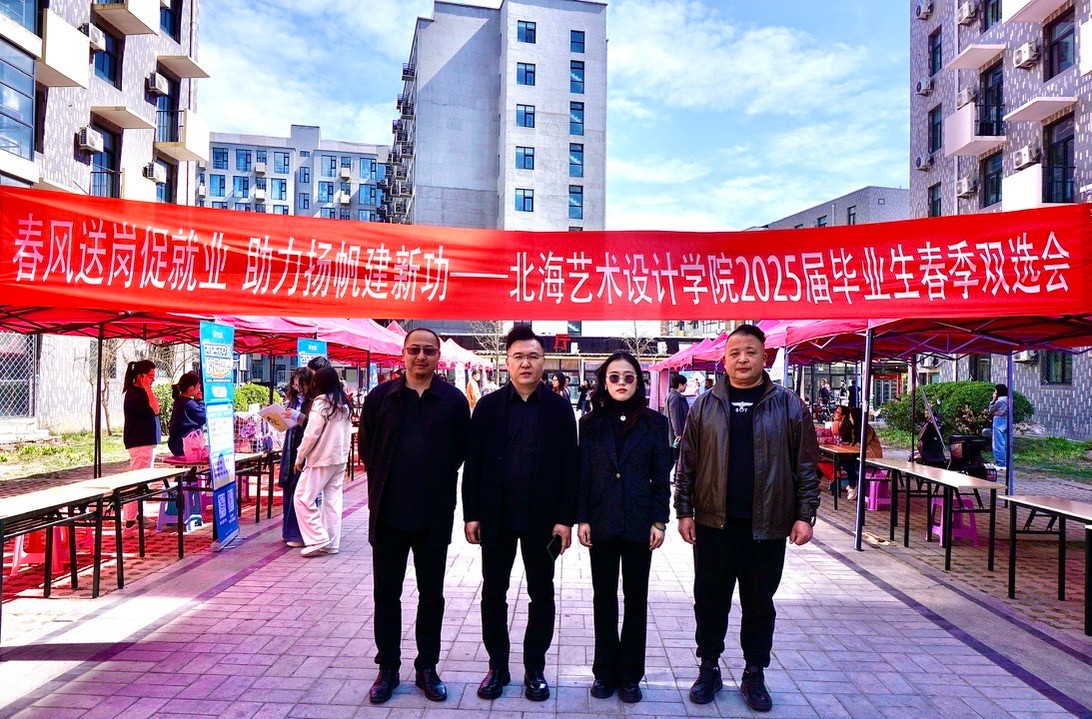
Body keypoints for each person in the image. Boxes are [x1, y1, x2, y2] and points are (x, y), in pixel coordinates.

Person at [675, 324, 820, 712]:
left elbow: (806, 465)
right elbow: (687, 465)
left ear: (764, 357)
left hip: (767, 525)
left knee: (759, 603)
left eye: (750, 352)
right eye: (735, 352)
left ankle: (754, 672)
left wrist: (805, 515)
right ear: (724, 360)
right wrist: (684, 511)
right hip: (713, 523)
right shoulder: (704, 406)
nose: (742, 359)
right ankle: (709, 667)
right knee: (710, 600)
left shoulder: (789, 405)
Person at [463, 325, 578, 702]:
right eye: (518, 356)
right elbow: (474, 464)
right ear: (507, 362)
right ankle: (497, 666)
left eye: (533, 356)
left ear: (543, 361)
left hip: (543, 522)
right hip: (496, 518)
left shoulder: (559, 409)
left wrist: (565, 519)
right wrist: (472, 513)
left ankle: (535, 669)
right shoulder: (489, 408)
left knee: (541, 594)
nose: (525, 363)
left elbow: (570, 466)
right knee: (493, 593)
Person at [358, 328, 471, 704]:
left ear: (438, 356)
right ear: (403, 353)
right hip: (388, 514)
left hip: (433, 515)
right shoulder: (381, 398)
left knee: (431, 596)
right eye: (414, 350)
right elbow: (367, 449)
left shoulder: (453, 401)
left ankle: (427, 667)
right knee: (386, 594)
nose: (421, 356)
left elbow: (460, 451)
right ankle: (388, 667)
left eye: (428, 351)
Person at [576, 352, 672, 704]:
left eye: (628, 377)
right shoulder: (589, 423)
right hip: (601, 521)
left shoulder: (655, 423)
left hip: (638, 522)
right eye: (614, 377)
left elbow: (661, 477)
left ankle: (630, 675)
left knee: (635, 599)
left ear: (638, 382)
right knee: (603, 598)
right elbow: (582, 474)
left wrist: (659, 520)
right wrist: (582, 518)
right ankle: (604, 672)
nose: (621, 383)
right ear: (604, 382)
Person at [293, 366, 352, 557]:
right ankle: (331, 543)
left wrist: (300, 457)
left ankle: (317, 538)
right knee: (332, 501)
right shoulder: (344, 404)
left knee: (302, 498)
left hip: (321, 459)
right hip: (339, 458)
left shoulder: (321, 404)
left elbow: (311, 435)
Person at [122, 360, 161, 525]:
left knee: (144, 482)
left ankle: (138, 515)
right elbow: (156, 409)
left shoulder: (141, 392)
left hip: (146, 443)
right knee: (136, 483)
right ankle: (130, 521)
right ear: (141, 376)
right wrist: (147, 388)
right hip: (140, 443)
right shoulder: (134, 394)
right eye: (150, 376)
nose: (153, 379)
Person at [279, 367, 313, 547]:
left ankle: (298, 534)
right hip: (290, 446)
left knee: (299, 491)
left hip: (304, 448)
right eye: (295, 384)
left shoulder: (314, 402)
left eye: (301, 385)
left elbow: (313, 426)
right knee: (288, 487)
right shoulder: (293, 400)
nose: (298, 388)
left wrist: (298, 416)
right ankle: (288, 532)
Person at [843, 407, 882, 502]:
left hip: (871, 457)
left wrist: (851, 447)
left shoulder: (866, 429)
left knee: (849, 463)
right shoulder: (855, 429)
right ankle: (853, 483)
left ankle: (853, 485)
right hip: (861, 455)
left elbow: (861, 444)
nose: (850, 419)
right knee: (845, 461)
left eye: (851, 417)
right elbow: (854, 445)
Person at [167, 371, 206, 457]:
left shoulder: (179, 400)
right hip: (185, 444)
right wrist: (200, 400)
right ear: (191, 387)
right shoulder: (189, 404)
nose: (199, 387)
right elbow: (203, 417)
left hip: (177, 443)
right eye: (198, 384)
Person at [665, 373, 689, 468]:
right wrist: (678, 433)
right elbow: (674, 417)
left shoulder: (673, 396)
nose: (686, 386)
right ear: (680, 385)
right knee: (676, 457)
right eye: (685, 384)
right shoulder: (675, 398)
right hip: (675, 435)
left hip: (674, 434)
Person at [988, 384, 1009, 468]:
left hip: (999, 420)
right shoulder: (1009, 399)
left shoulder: (999, 401)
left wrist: (993, 399)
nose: (994, 393)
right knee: (1005, 442)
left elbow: (990, 409)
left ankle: (1000, 463)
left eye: (995, 391)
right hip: (1007, 420)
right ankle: (1006, 462)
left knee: (998, 442)